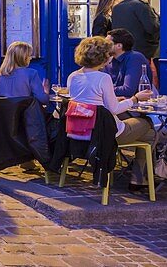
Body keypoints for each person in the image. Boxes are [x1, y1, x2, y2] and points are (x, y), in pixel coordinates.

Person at [66, 37, 155, 192]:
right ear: (103, 57)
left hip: (79, 132)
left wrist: (115, 99)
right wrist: (135, 99)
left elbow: (91, 100)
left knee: (146, 136)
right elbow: (113, 110)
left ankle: (138, 177)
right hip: (104, 135)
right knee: (149, 128)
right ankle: (139, 178)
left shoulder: (73, 76)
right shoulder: (103, 78)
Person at [110, 0, 160, 85]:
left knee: (125, 80)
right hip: (143, 51)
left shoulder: (117, 8)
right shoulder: (143, 7)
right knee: (147, 81)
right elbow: (152, 28)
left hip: (121, 51)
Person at [106, 28, 150, 98]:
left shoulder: (135, 58)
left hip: (136, 104)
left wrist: (103, 91)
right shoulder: (109, 60)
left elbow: (128, 90)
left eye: (107, 43)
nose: (104, 46)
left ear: (119, 46)